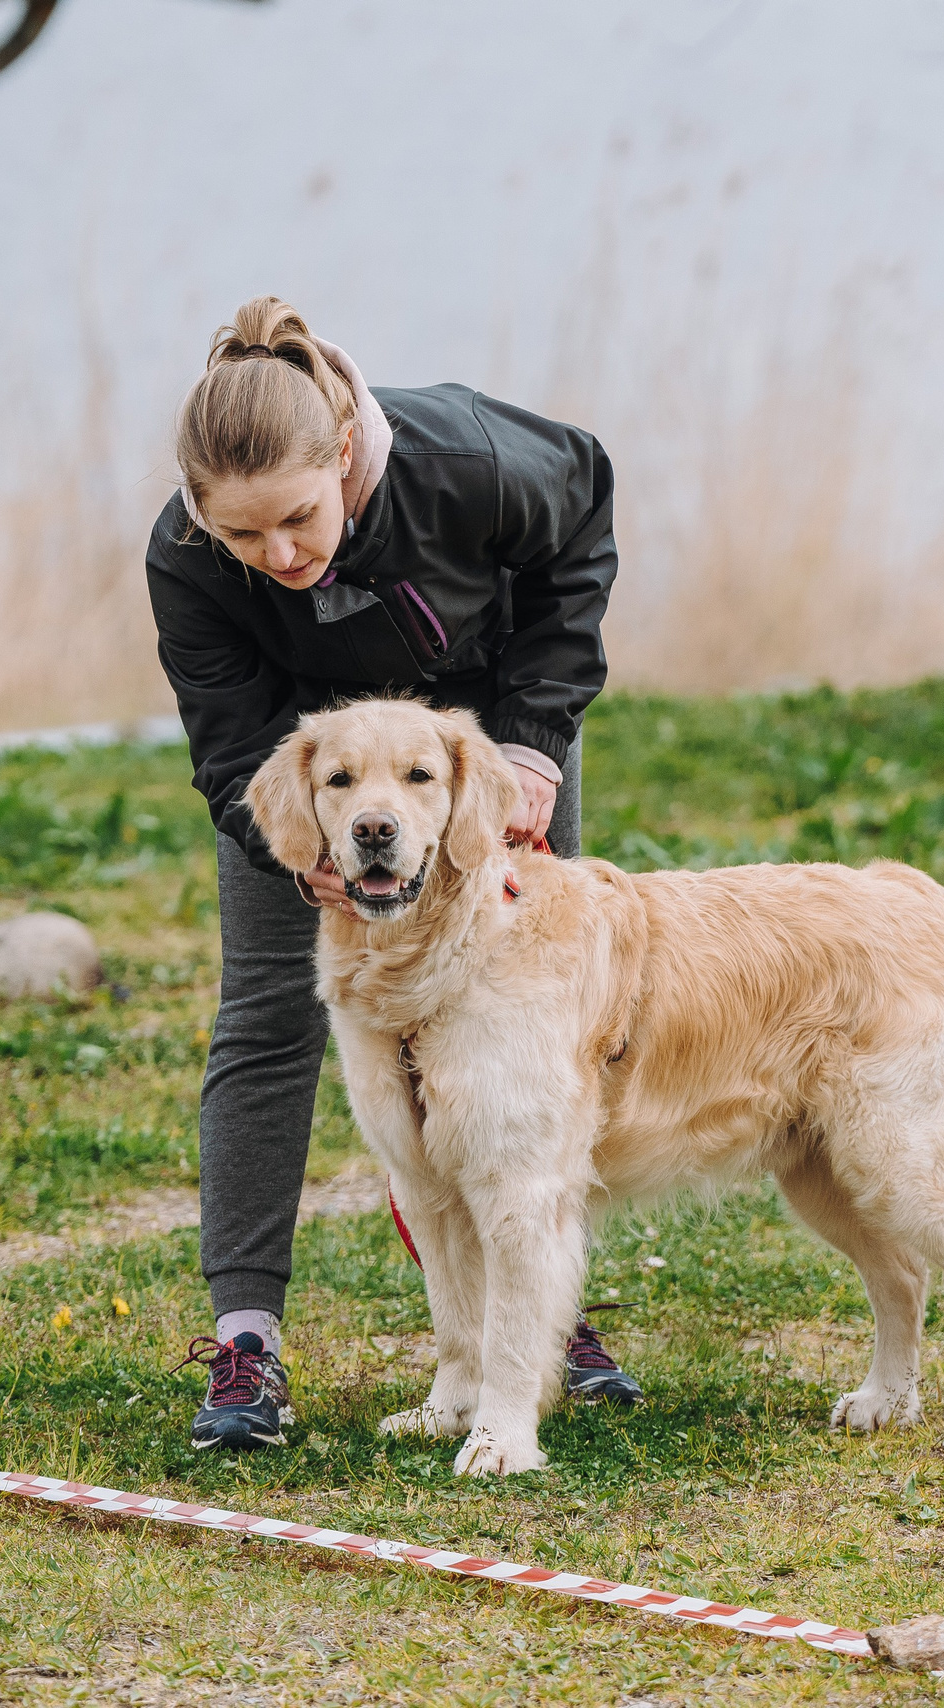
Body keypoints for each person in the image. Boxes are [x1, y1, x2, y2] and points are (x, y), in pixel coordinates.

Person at [146, 295, 639, 1451]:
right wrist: (289, 838)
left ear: (343, 456)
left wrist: (528, 740)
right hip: (308, 777)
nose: (278, 557)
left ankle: (537, 1320)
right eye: (243, 539)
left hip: (480, 754)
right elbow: (228, 737)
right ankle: (247, 1342)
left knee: (528, 1028)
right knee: (269, 1016)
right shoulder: (184, 560)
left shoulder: (460, 461)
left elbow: (583, 519)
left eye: (298, 522)